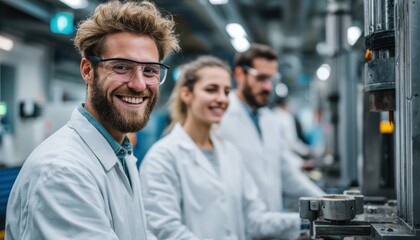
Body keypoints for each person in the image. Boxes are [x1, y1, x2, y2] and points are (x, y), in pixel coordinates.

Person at [6, 1, 179, 239]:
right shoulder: (63, 172)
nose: (139, 84)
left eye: (150, 70)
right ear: (88, 70)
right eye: (121, 67)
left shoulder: (121, 153)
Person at [140, 56, 302, 240]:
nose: (222, 99)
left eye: (226, 91)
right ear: (187, 94)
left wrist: (309, 221)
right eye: (211, 90)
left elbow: (254, 219)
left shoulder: (230, 153)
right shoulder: (163, 157)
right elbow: (165, 230)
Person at [218, 44, 325, 214]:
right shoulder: (220, 119)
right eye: (260, 78)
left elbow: (286, 171)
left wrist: (325, 201)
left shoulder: (270, 120)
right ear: (239, 74)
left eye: (272, 79)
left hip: (272, 222)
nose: (268, 87)